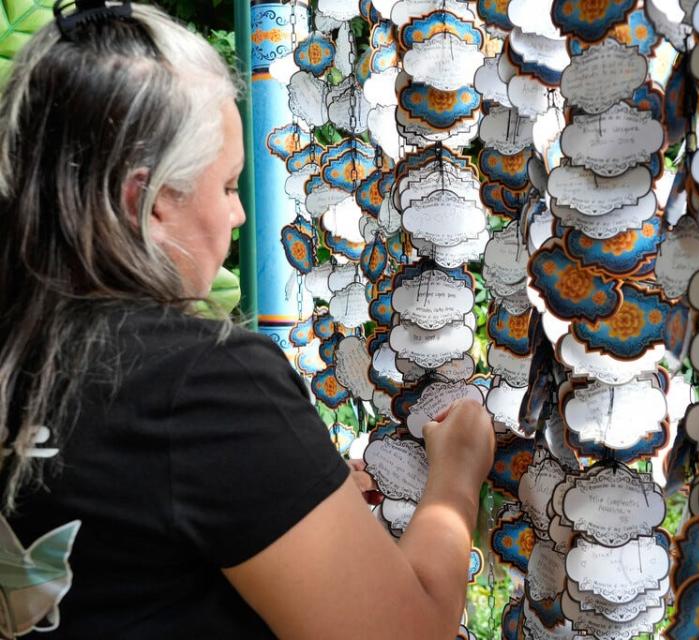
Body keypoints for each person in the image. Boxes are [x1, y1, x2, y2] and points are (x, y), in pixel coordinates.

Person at [0, 1, 496, 638]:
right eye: (229, 186)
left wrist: (277, 478)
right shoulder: (199, 382)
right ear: (146, 201)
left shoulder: (24, 348)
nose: (237, 217)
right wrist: (455, 477)